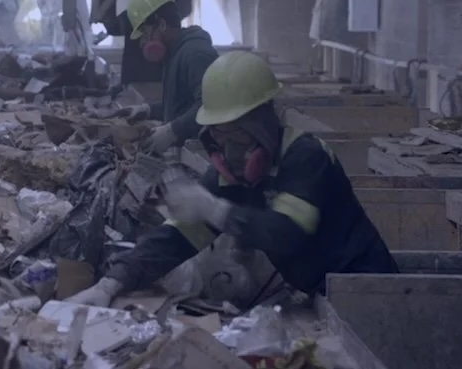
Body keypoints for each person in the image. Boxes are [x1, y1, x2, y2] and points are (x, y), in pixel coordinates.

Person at [70, 51, 398, 306]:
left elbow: (286, 234)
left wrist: (216, 210)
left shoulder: (305, 158)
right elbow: (175, 241)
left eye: (238, 139)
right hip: (321, 294)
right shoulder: (233, 176)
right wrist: (111, 282)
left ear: (263, 123)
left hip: (370, 295)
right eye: (221, 139)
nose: (231, 153)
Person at [96, 0, 218, 154]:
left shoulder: (195, 54)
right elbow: (181, 105)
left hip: (202, 153)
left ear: (161, 24)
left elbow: (211, 107)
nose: (143, 43)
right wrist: (147, 110)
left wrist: (172, 131)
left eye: (145, 33)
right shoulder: (175, 53)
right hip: (185, 149)